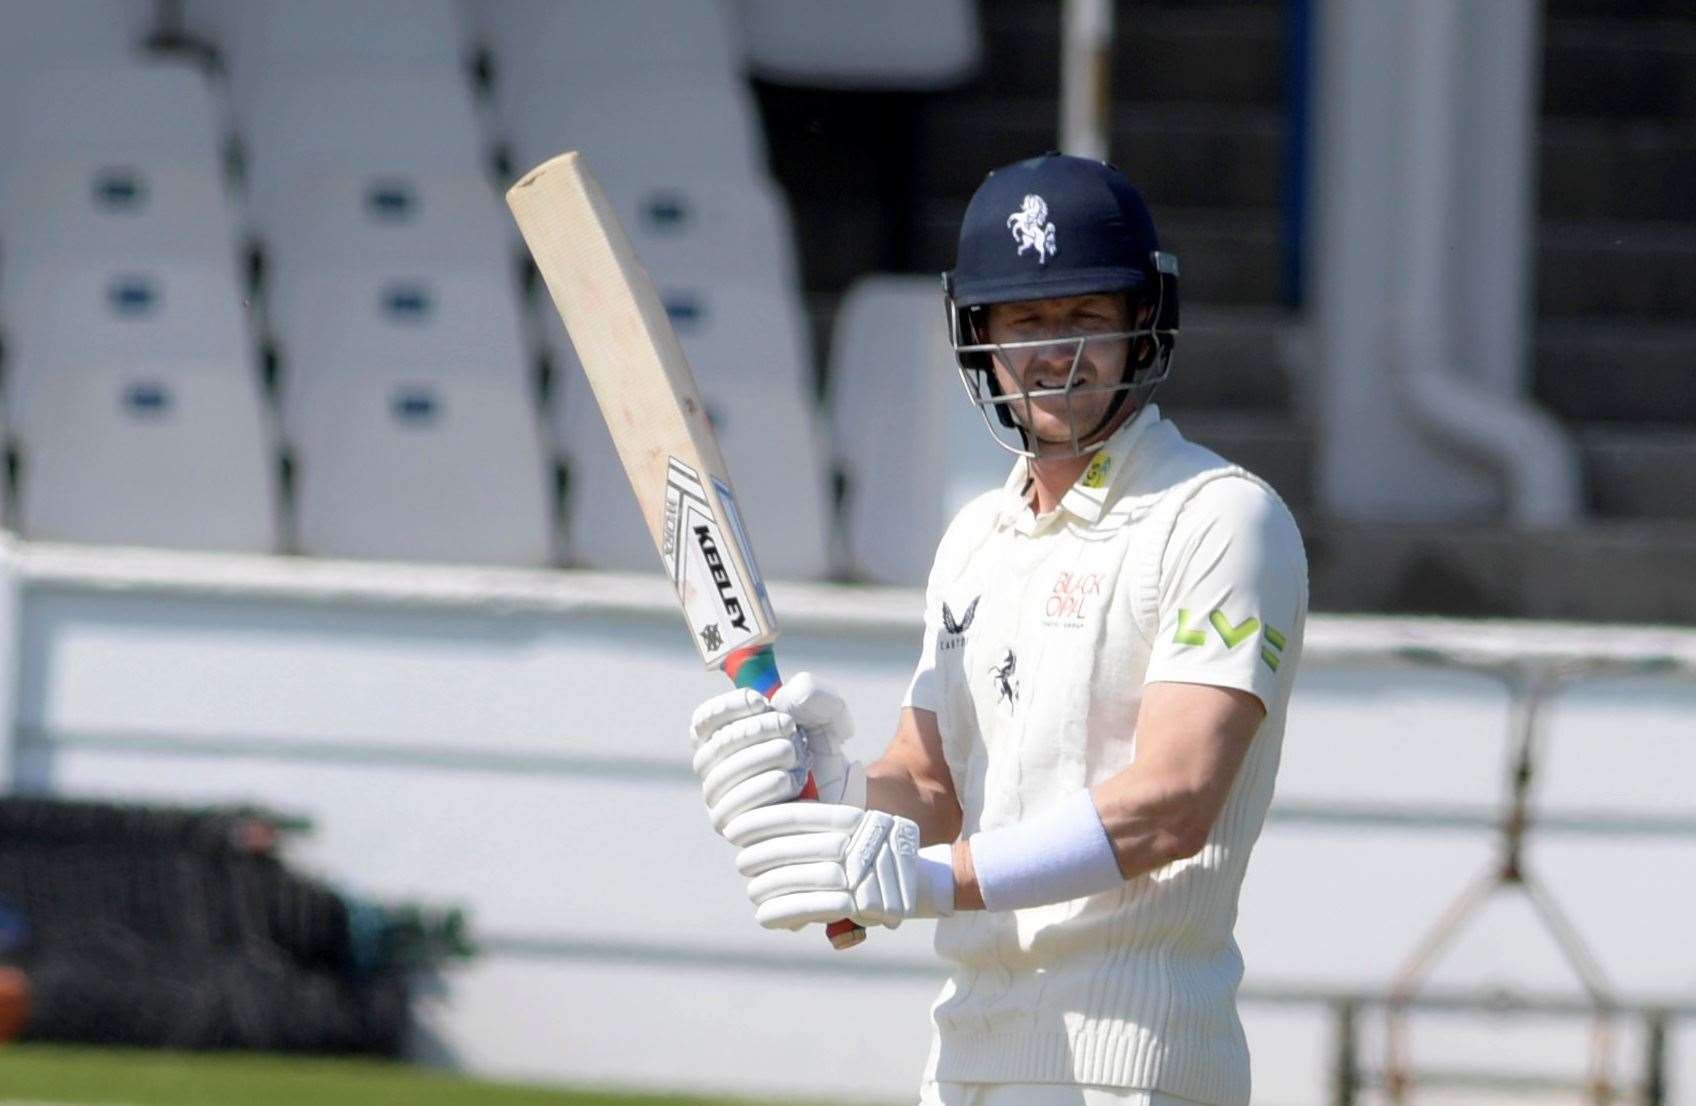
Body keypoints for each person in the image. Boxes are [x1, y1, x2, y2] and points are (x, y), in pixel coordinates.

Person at [689, 153, 1308, 1106]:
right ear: (978, 337)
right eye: (1026, 322)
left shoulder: (1219, 516)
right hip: (969, 1050)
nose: (1057, 354)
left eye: (1086, 317)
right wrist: (840, 800)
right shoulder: (978, 536)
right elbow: (931, 786)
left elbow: (1174, 801)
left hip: (1133, 1061)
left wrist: (934, 883)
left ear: (1144, 323)